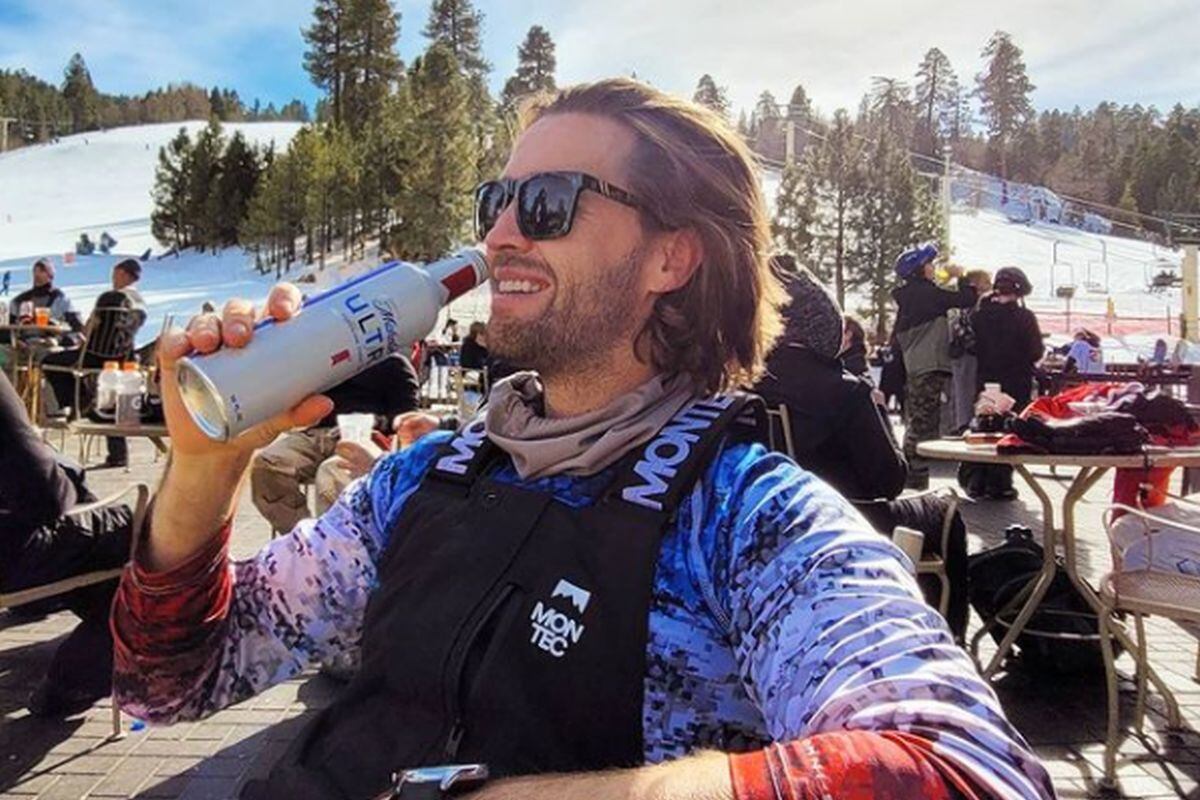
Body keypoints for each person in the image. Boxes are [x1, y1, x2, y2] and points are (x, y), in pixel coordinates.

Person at [111, 79, 1050, 800]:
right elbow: (169, 686)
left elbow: (967, 771)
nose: (502, 235)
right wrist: (206, 467)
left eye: (551, 201)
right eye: (497, 200)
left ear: (671, 256)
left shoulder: (750, 518)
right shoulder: (424, 479)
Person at [754, 261, 970, 639]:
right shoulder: (844, 387)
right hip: (846, 520)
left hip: (764, 523)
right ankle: (946, 638)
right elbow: (888, 480)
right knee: (945, 512)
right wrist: (881, 415)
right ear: (822, 323)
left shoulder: (742, 384)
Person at [0, 372, 133, 716]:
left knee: (78, 518)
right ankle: (74, 681)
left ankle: (43, 605)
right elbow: (43, 494)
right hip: (12, 557)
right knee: (139, 533)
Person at [250, 353, 420, 532]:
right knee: (268, 464)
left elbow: (407, 418)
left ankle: (338, 547)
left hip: (363, 435)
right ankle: (304, 542)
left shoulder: (392, 363)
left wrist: (376, 421)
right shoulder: (323, 360)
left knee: (331, 472)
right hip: (315, 433)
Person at [41, 258, 148, 467]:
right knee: (108, 397)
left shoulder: (110, 298)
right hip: (122, 360)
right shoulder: (140, 302)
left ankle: (78, 398)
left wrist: (83, 335)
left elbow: (90, 328)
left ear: (122, 274)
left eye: (114, 274)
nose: (113, 279)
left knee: (49, 361)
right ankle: (118, 454)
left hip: (94, 355)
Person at [892, 244, 977, 490]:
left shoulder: (913, 296)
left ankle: (914, 474)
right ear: (920, 270)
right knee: (922, 421)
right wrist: (961, 277)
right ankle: (913, 477)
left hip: (920, 364)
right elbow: (966, 299)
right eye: (929, 264)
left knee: (920, 419)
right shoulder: (925, 294)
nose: (933, 267)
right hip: (928, 364)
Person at [965, 266, 1044, 500]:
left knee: (984, 425)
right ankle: (1001, 483)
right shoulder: (1024, 317)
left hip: (985, 378)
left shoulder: (979, 314)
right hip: (1015, 380)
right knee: (1007, 429)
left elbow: (972, 345)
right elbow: (1035, 350)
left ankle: (977, 480)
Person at [948, 269, 992, 433]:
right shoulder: (978, 307)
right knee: (967, 397)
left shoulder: (960, 309)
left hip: (960, 358)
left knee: (961, 397)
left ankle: (962, 424)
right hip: (970, 358)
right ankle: (965, 426)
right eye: (987, 282)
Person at [8, 258, 84, 332]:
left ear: (50, 275)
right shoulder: (20, 300)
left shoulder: (60, 299)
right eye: (35, 271)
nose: (37, 274)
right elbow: (10, 325)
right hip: (24, 341)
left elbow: (77, 326)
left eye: (41, 271)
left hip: (53, 340)